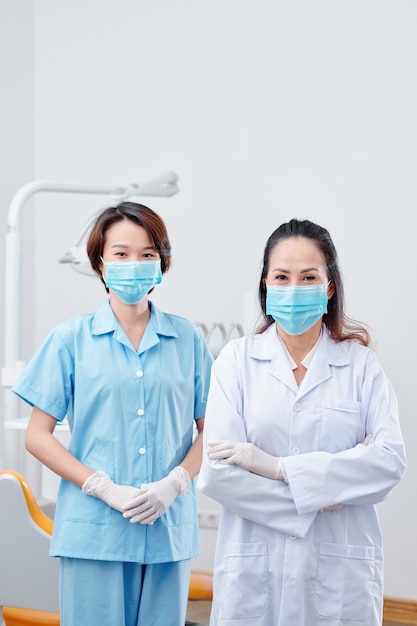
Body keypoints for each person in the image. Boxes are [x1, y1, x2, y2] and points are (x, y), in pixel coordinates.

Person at [12, 202, 213, 626]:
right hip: (94, 531)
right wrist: (101, 487)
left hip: (167, 529)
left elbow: (211, 430)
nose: (134, 264)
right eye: (121, 253)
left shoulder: (186, 340)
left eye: (147, 254)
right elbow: (37, 435)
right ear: (100, 263)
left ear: (162, 263)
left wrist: (176, 483)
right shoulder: (70, 339)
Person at [197, 218, 406, 626]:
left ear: (329, 288)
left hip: (339, 567)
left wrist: (278, 469)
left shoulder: (360, 365)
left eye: (308, 277)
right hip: (254, 567)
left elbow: (388, 463)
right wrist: (332, 489)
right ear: (266, 286)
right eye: (282, 276)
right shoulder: (236, 362)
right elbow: (217, 474)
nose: (294, 289)